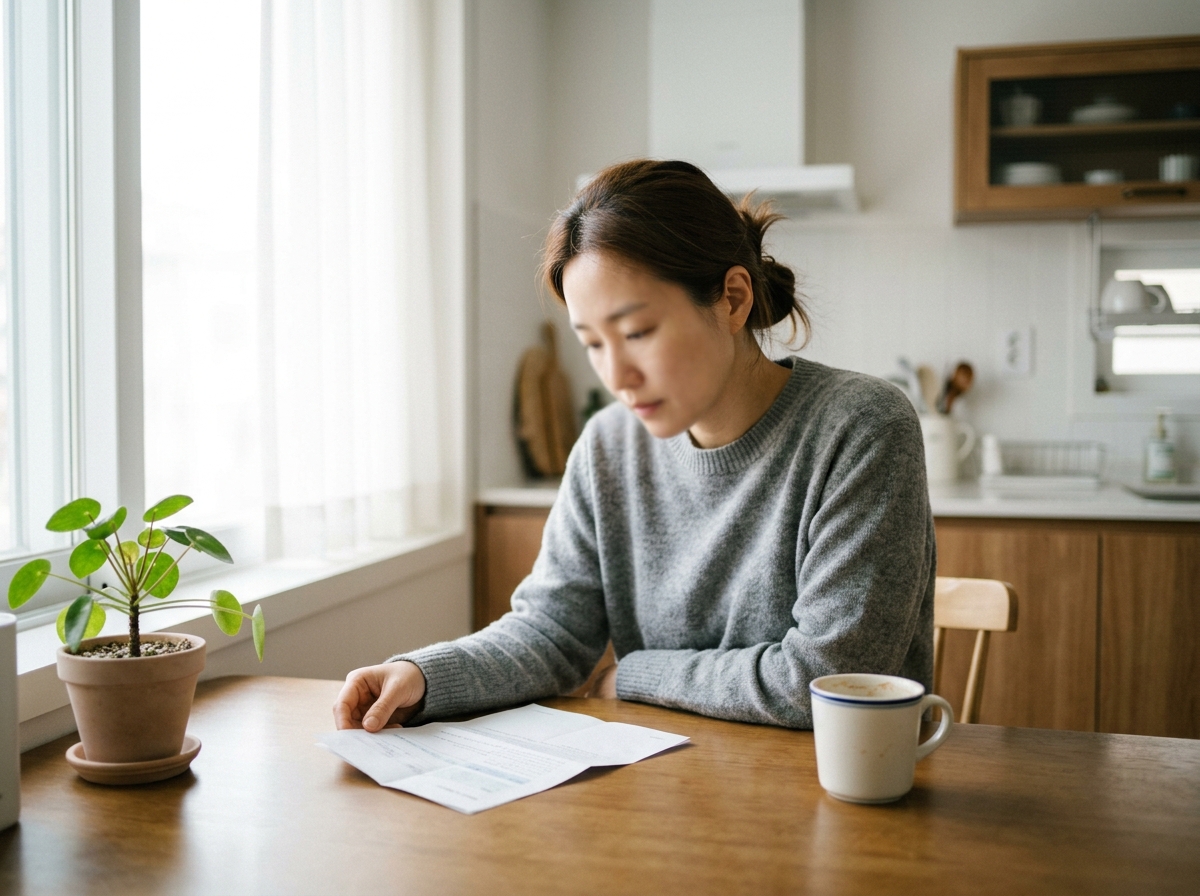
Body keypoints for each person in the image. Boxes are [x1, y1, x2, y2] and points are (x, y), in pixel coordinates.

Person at [333, 159, 934, 733]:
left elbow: (825, 680)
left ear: (732, 298)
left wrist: (634, 675)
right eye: (592, 343)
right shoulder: (607, 446)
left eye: (638, 332)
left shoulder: (862, 427)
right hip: (661, 791)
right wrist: (422, 675)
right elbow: (551, 632)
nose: (616, 376)